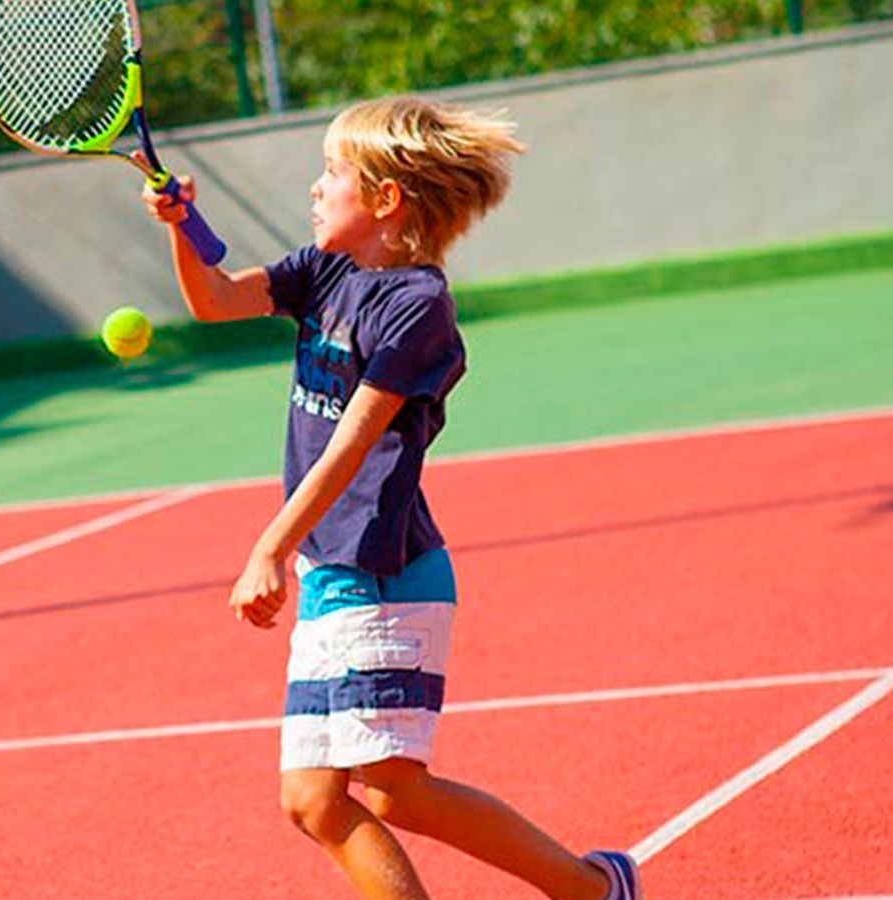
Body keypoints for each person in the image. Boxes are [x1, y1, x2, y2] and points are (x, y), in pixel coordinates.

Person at [139, 96, 642, 900]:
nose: (315, 186)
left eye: (333, 171)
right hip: (332, 573)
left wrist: (269, 544)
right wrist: (179, 226)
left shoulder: (418, 308)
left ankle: (590, 888)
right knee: (311, 802)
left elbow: (355, 441)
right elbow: (216, 299)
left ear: (384, 199)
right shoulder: (325, 271)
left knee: (393, 785)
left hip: (384, 573)